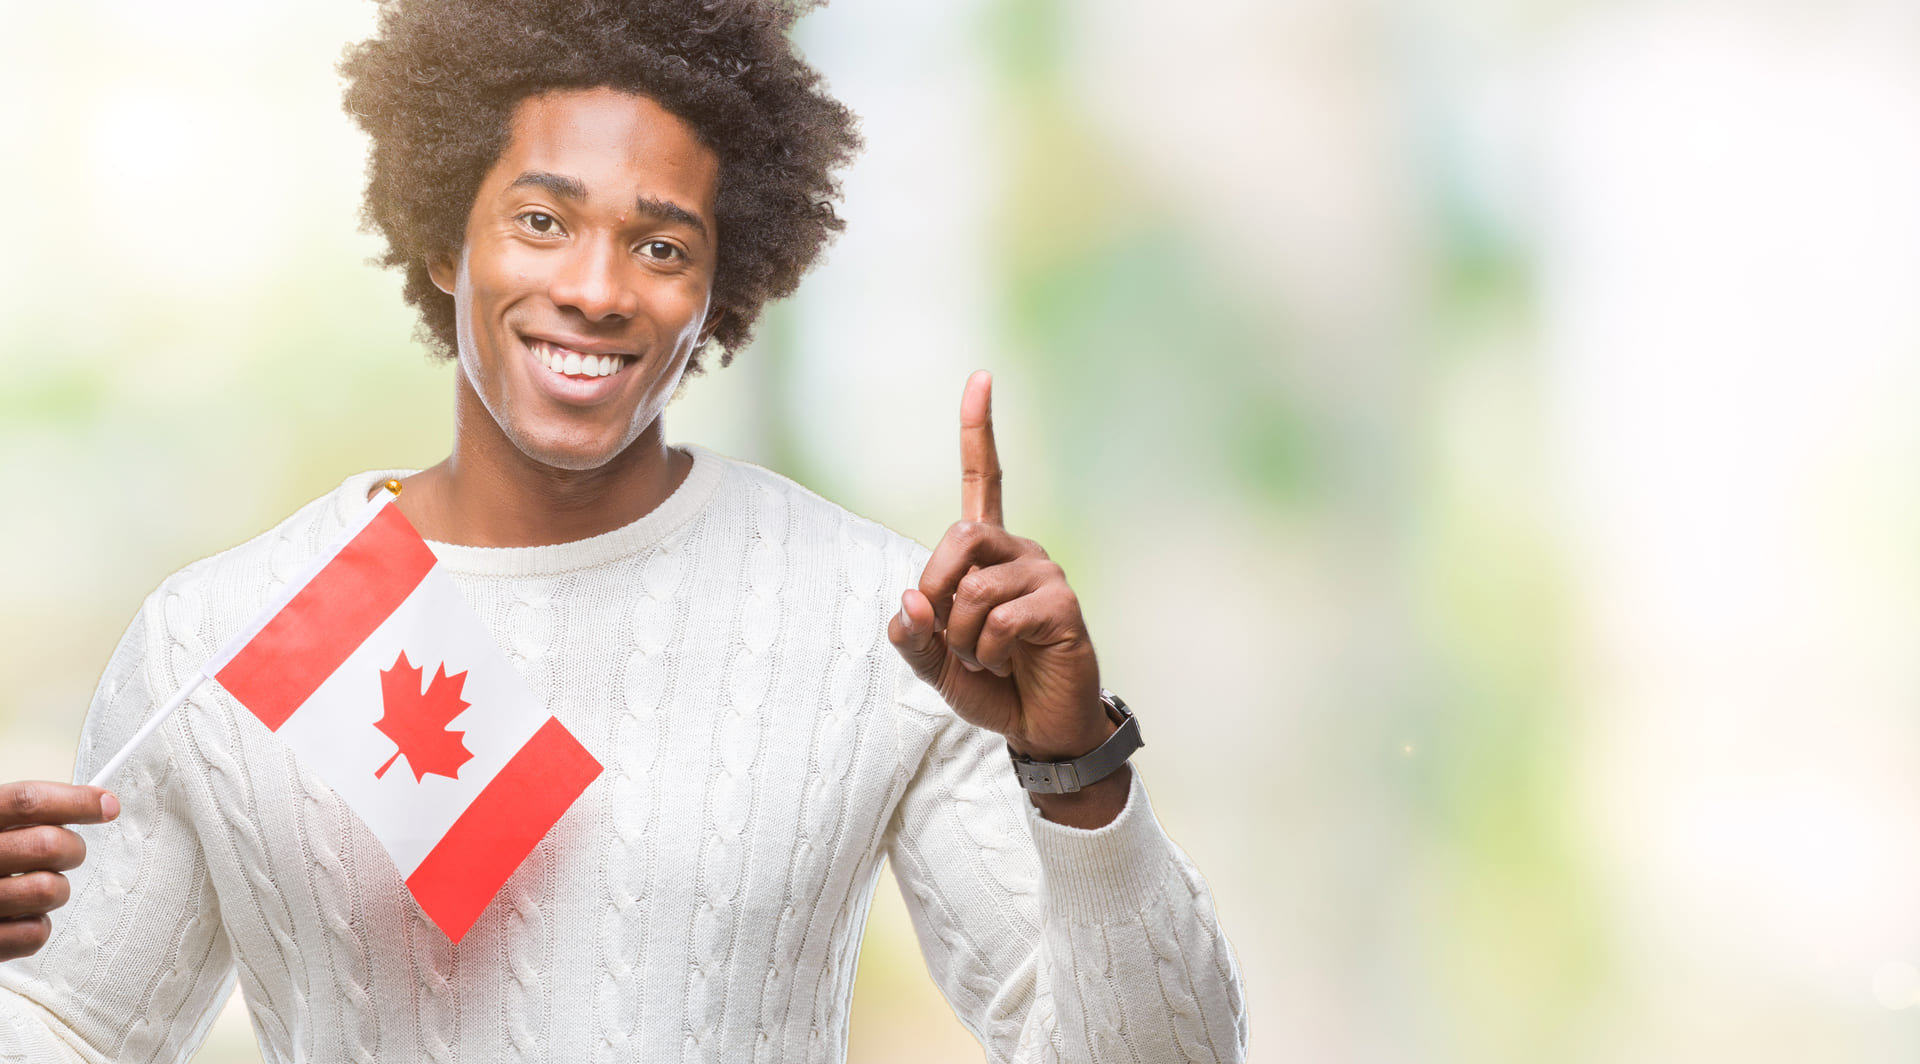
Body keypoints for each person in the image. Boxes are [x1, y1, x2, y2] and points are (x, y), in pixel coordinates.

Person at [0, 1, 1247, 1060]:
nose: (596, 289)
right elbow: (63, 1025)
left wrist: (1077, 772)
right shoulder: (231, 630)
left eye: (660, 244)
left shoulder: (887, 624)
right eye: (542, 220)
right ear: (446, 235)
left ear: (720, 287)